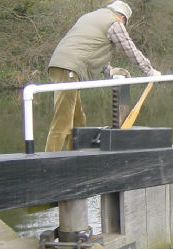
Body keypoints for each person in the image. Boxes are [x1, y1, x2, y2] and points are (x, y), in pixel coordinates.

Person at [45, 0, 161, 152]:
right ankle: (47, 163)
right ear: (123, 18)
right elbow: (129, 48)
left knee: (78, 119)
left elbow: (90, 49)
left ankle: (75, 155)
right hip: (69, 70)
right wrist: (149, 70)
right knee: (63, 120)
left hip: (62, 66)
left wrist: (110, 71)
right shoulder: (114, 22)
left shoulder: (90, 17)